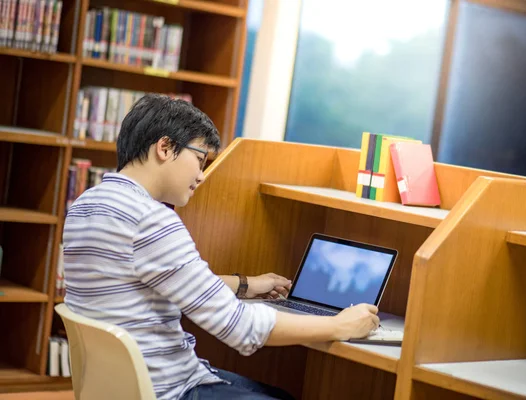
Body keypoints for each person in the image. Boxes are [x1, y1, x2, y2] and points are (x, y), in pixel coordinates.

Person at [63, 94, 380, 400]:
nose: (201, 176)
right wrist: (339, 324)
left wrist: (246, 284)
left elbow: (154, 280)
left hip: (118, 387)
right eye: (199, 160)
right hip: (170, 388)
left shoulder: (87, 204)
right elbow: (241, 328)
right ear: (164, 147)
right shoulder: (152, 220)